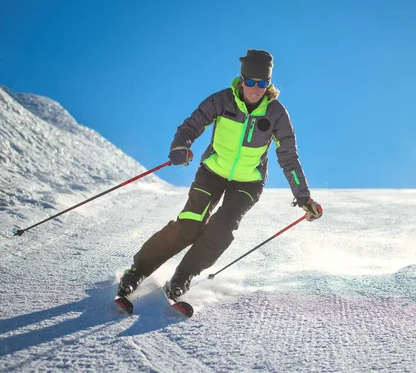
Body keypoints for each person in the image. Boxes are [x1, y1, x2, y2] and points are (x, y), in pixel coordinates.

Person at [117, 49, 323, 301]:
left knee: (222, 228)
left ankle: (183, 276)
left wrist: (304, 197)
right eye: (250, 82)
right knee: (190, 224)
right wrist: (181, 145)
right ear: (242, 79)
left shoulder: (276, 113)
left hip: (248, 181)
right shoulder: (222, 100)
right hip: (212, 172)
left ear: (269, 84)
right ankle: (137, 271)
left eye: (262, 83)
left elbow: (289, 158)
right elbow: (192, 124)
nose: (255, 89)